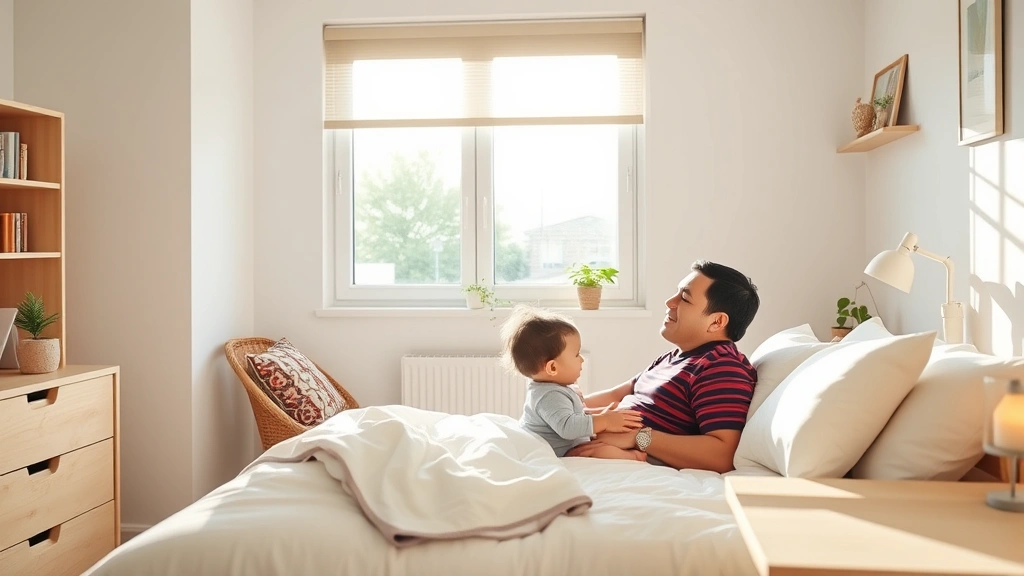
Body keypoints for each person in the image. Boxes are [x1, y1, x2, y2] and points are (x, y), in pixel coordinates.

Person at [566, 260, 760, 473]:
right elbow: (616, 395)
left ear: (717, 322)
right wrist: (567, 412)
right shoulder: (674, 357)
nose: (670, 302)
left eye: (684, 298)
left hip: (629, 458)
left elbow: (722, 455)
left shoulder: (722, 367)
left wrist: (637, 437)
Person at [500, 305, 646, 459]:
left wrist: (602, 415)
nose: (582, 359)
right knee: (600, 450)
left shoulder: (552, 388)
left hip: (567, 446)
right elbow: (568, 427)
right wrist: (605, 420)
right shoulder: (549, 396)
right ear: (553, 367)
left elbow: (573, 415)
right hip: (556, 453)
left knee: (604, 436)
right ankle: (635, 457)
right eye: (577, 354)